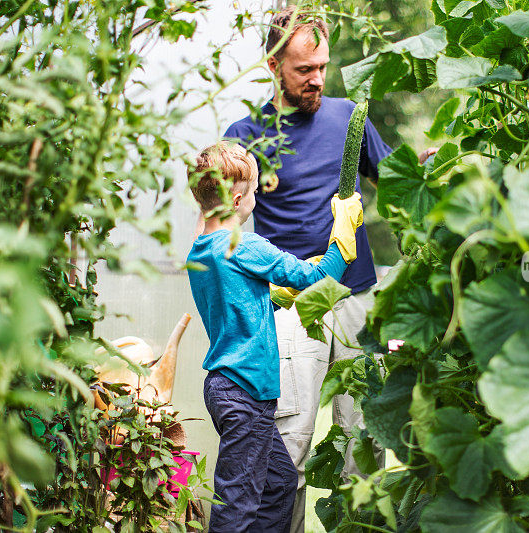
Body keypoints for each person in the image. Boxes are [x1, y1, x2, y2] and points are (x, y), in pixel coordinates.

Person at [223, 6, 437, 531]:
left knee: (364, 451)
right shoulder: (246, 133)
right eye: (303, 70)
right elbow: (223, 230)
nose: (317, 78)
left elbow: (394, 178)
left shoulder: (349, 118)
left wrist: (429, 166)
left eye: (321, 65)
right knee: (288, 451)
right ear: (274, 66)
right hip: (290, 306)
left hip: (358, 299)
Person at [186, 141, 363, 533]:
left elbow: (235, 298)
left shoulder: (202, 248)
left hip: (228, 388)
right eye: (252, 193)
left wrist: (274, 294)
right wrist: (344, 233)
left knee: (279, 482)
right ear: (236, 200)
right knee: (238, 506)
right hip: (246, 392)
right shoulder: (245, 245)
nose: (255, 199)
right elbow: (317, 277)